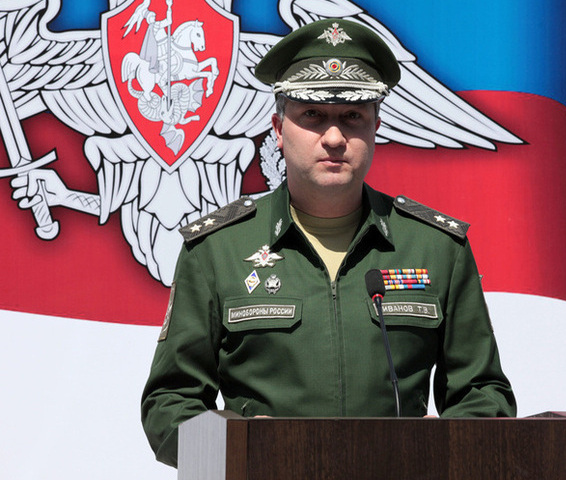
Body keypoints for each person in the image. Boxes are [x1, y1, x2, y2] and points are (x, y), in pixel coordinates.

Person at [141, 18, 516, 468]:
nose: (335, 138)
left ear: (376, 127)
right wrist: (241, 449)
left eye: (352, 116)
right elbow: (168, 405)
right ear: (278, 129)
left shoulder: (436, 249)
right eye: (313, 115)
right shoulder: (217, 250)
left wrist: (442, 453)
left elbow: (484, 394)